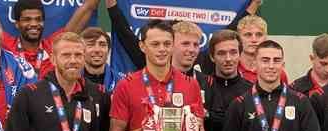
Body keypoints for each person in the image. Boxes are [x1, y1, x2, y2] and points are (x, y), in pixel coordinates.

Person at [104, 0, 263, 74]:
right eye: (185, 43)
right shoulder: (150, 60)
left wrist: (253, 5)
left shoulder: (201, 61)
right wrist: (111, 4)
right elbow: (125, 34)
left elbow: (228, 33)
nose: (190, 50)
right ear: (172, 44)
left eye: (194, 44)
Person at [0, 0, 100, 78]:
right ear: (17, 23)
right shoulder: (5, 45)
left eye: (38, 19)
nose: (34, 24)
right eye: (27, 19)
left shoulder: (55, 45)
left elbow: (88, 8)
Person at [236, 15, 288, 85]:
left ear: (265, 38)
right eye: (248, 35)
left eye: (259, 35)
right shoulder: (231, 68)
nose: (254, 40)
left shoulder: (277, 72)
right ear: (239, 39)